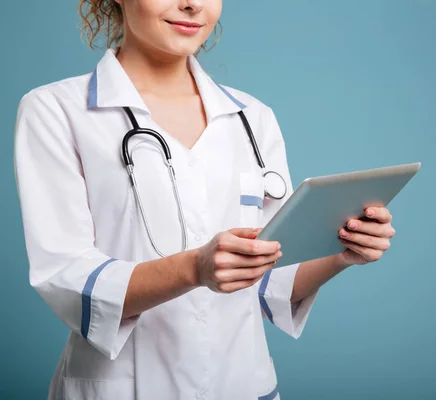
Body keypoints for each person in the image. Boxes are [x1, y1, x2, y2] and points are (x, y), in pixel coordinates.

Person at [13, 0, 397, 399]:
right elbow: (66, 276)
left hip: (244, 384)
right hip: (125, 388)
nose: (192, 4)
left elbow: (272, 280)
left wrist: (342, 251)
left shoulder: (252, 117)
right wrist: (194, 268)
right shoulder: (56, 110)